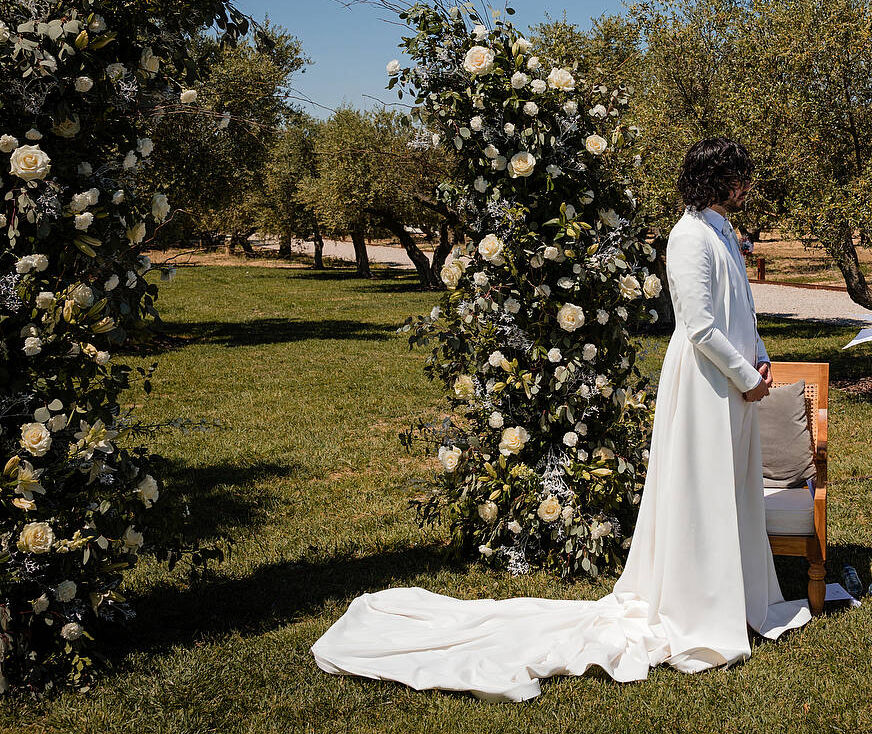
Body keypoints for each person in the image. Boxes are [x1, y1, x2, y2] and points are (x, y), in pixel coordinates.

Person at [310, 138, 809, 700]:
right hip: (706, 385)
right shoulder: (688, 234)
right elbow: (698, 326)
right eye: (739, 177)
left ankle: (737, 597)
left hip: (738, 383)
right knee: (702, 492)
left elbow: (739, 307)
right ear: (719, 179)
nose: (746, 187)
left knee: (731, 489)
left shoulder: (722, 232)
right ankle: (699, 606)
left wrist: (761, 356)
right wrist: (747, 375)